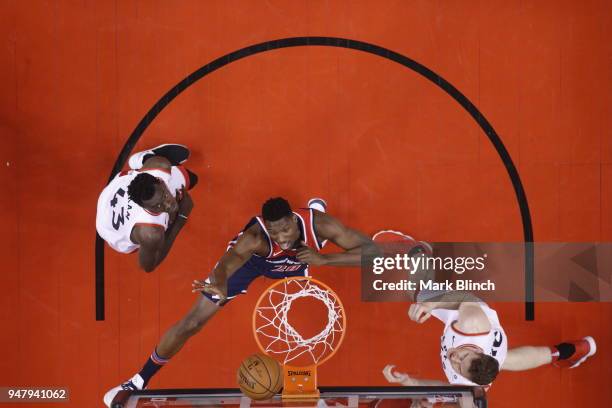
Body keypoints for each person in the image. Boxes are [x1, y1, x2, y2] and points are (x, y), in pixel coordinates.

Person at [103, 196, 378, 407]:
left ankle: (313, 210)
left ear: (295, 221)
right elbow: (228, 263)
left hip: (298, 258)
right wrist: (220, 283)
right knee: (193, 322)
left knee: (302, 318)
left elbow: (374, 252)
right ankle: (139, 379)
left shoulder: (320, 225)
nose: (282, 238)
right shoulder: (255, 239)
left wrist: (325, 259)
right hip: (252, 264)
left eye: (285, 229)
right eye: (275, 232)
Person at [383, 292, 597, 387]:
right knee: (419, 296)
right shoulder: (472, 324)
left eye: (458, 366)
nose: (454, 357)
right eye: (463, 355)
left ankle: (571, 350)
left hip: (495, 351)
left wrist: (412, 383)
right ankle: (419, 250)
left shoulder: (474, 382)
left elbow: (447, 390)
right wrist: (432, 304)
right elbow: (464, 298)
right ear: (478, 351)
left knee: (503, 360)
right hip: (468, 309)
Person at [96, 144, 198, 272]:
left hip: (113, 190)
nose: (168, 205)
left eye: (165, 196)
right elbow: (148, 266)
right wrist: (180, 219)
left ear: (161, 182)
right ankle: (141, 164)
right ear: (143, 206)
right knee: (186, 181)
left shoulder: (160, 165)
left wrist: (168, 208)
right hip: (110, 230)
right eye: (158, 206)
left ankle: (140, 158)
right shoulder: (150, 233)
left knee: (192, 179)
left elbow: (160, 199)